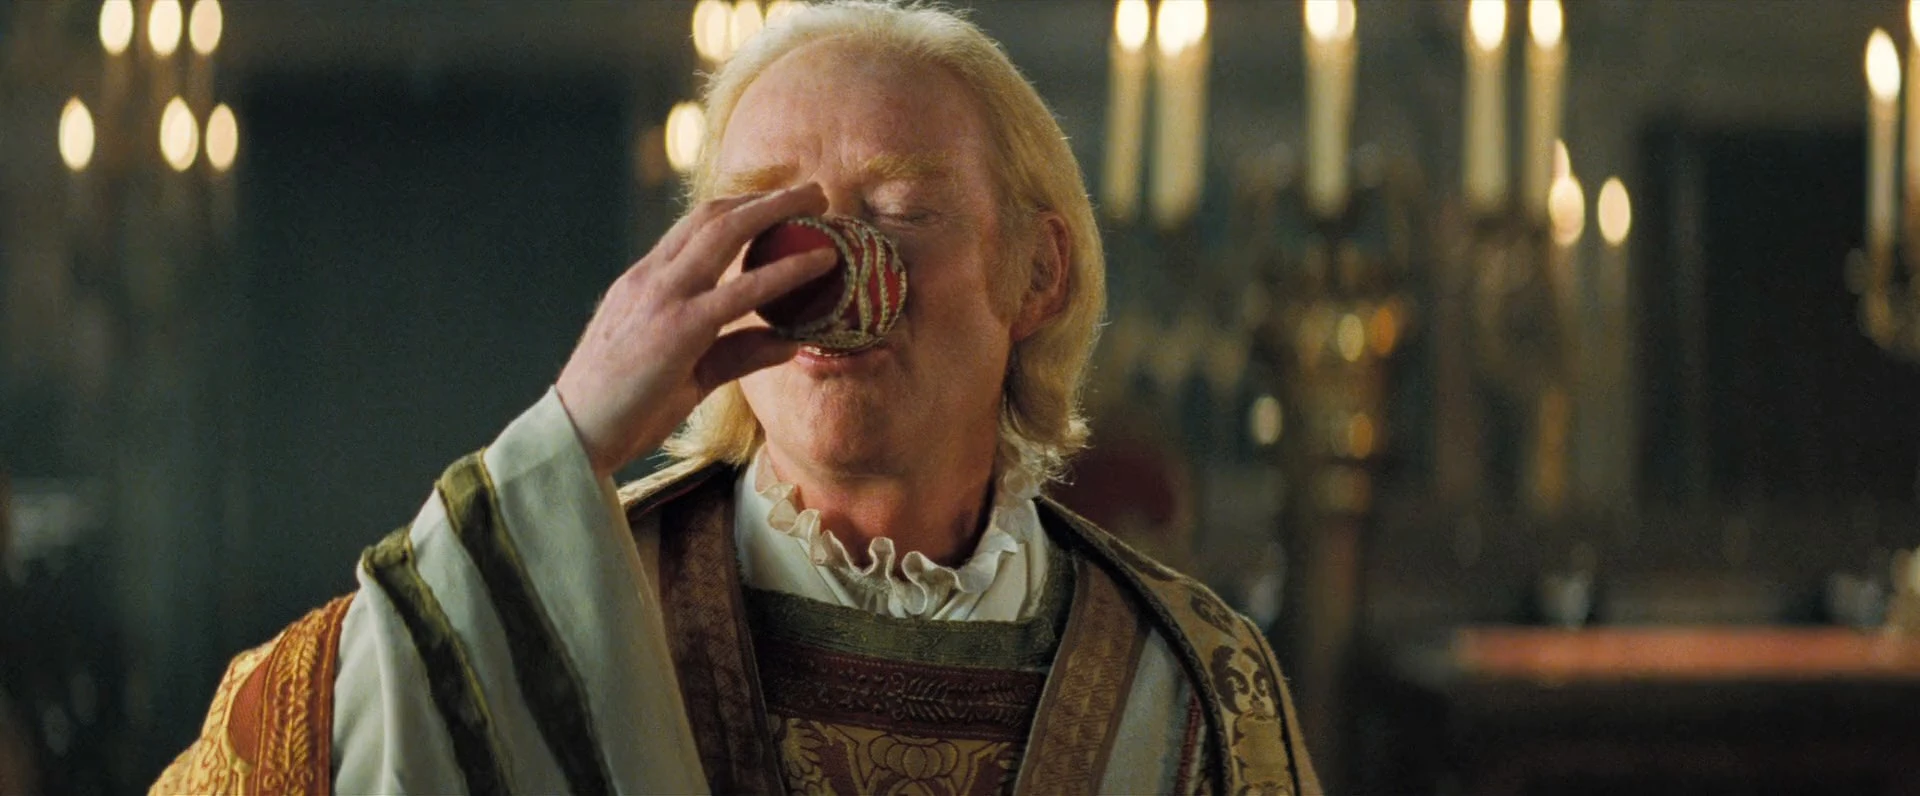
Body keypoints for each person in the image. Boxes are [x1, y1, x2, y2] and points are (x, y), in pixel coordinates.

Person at [152, 2, 1318, 794]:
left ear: (1037, 272)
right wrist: (574, 432)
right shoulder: (564, 594)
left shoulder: (1192, 687)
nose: (823, 271)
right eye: (769, 221)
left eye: (901, 210)